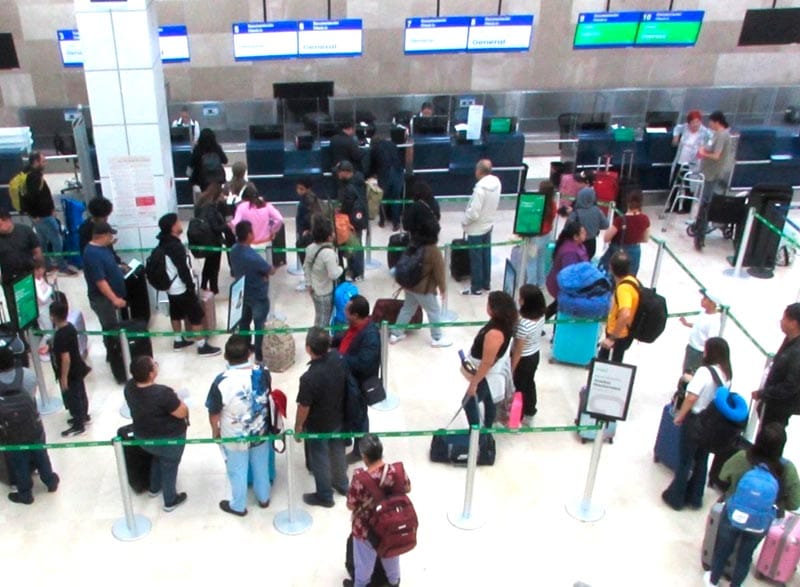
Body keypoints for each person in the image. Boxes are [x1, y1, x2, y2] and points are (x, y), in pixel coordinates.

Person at [705, 423, 800, 587]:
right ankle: (736, 584)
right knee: (745, 555)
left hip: (734, 512)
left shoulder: (742, 457)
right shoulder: (787, 469)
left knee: (723, 549)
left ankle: (713, 580)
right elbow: (795, 502)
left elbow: (722, 476)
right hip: (760, 521)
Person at [662, 337, 732, 511]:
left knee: (686, 460)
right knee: (702, 459)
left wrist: (679, 416)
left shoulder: (704, 372)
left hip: (695, 420)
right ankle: (695, 497)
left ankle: (676, 497)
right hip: (712, 423)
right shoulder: (727, 374)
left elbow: (692, 397)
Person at [206, 334, 272, 516]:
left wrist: (215, 430)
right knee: (261, 466)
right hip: (261, 430)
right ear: (249, 353)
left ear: (226, 357)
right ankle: (264, 498)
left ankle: (238, 505)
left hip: (234, 434)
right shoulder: (263, 372)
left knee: (237, 471)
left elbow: (214, 412)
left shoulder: (221, 381)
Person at [124, 355, 189, 512]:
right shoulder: (163, 394)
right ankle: (170, 500)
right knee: (169, 465)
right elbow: (181, 412)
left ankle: (154, 488)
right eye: (155, 365)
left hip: (143, 437)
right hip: (169, 440)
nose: (156, 366)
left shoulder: (129, 387)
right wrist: (180, 401)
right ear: (151, 374)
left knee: (157, 458)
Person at [344, 434, 411, 587]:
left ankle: (361, 585)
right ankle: (393, 583)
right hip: (392, 525)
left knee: (364, 565)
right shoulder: (397, 470)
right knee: (392, 556)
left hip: (366, 529)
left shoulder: (360, 478)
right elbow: (407, 488)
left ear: (365, 456)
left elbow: (351, 505)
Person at [294, 327, 349, 508]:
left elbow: (304, 406)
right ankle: (342, 484)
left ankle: (325, 496)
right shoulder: (338, 359)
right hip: (338, 417)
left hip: (318, 425)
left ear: (308, 348)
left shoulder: (309, 378)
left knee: (319, 458)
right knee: (338, 450)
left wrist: (298, 427)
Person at [0, 348, 59, 505]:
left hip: (9, 431)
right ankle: (50, 481)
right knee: (41, 452)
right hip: (33, 424)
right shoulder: (27, 375)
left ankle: (25, 493)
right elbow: (32, 396)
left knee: (18, 461)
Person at [157, 213, 220, 356]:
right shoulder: (175, 246)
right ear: (173, 227)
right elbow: (183, 269)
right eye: (178, 222)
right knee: (195, 314)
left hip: (170, 287)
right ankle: (201, 346)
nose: (180, 224)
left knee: (175, 313)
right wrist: (190, 286)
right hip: (181, 287)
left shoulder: (163, 242)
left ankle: (178, 340)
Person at [335, 296, 380, 463]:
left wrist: (340, 358)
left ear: (355, 315)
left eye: (347, 310)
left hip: (359, 384)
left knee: (360, 416)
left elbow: (364, 363)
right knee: (346, 411)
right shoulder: (356, 326)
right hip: (347, 380)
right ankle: (346, 437)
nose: (344, 312)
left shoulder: (370, 336)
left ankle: (359, 450)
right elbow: (346, 338)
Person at [464, 291, 518, 428]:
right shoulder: (504, 323)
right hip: (491, 373)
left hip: (488, 375)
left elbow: (487, 362)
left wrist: (474, 383)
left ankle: (477, 435)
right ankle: (488, 427)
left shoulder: (495, 333)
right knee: (490, 399)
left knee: (469, 402)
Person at [20, 152, 78, 276]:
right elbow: (32, 197)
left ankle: (46, 265)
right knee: (57, 240)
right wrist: (35, 214)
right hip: (42, 215)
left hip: (40, 215)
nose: (45, 163)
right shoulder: (33, 177)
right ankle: (61, 266)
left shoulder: (28, 174)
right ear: (36, 162)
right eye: (43, 160)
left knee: (42, 241)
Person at [388, 237, 451, 348]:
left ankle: (396, 334)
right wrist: (443, 289)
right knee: (434, 311)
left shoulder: (414, 243)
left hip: (409, 285)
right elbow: (439, 272)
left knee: (407, 309)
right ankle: (437, 337)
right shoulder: (433, 250)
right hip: (424, 289)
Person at [82, 221, 127, 378]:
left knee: (112, 326)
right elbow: (100, 282)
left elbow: (109, 267)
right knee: (110, 327)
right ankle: (114, 355)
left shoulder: (103, 249)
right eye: (110, 235)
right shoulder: (92, 254)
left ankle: (116, 352)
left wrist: (120, 268)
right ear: (103, 236)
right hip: (102, 300)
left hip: (109, 297)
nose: (112, 238)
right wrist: (114, 299)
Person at [229, 220, 275, 365]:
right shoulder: (252, 256)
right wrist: (265, 276)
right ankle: (259, 357)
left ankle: (243, 349)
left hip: (242, 294)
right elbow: (270, 270)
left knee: (244, 323)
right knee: (259, 326)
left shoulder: (234, 250)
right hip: (257, 295)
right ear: (249, 235)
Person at [752, 302, 800, 428]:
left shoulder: (796, 352)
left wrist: (764, 394)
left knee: (770, 434)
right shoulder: (789, 340)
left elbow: (790, 386)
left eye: (784, 318)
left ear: (794, 323)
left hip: (779, 407)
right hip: (771, 402)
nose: (781, 321)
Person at [694, 111, 735, 251]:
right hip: (707, 173)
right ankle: (699, 228)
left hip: (713, 175)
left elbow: (716, 155)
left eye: (711, 121)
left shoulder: (723, 135)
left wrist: (703, 153)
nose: (709, 124)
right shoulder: (716, 134)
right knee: (703, 202)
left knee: (706, 204)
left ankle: (701, 233)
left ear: (717, 121)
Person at [50, 300, 91, 437]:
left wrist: (63, 377)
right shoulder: (71, 328)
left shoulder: (61, 335)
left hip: (70, 372)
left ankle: (78, 425)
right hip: (78, 367)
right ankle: (83, 416)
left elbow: (65, 358)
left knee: (73, 397)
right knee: (80, 393)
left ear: (53, 316)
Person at [461, 159, 501, 296]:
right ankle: (486, 282)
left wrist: (464, 221)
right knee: (486, 254)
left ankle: (476, 287)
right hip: (488, 224)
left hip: (476, 228)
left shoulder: (480, 189)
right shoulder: (497, 183)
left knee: (476, 258)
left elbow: (474, 212)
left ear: (478, 171)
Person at [511, 285, 546, 424]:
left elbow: (518, 349)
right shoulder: (541, 315)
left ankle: (515, 419)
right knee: (529, 384)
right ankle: (530, 411)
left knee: (518, 389)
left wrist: (512, 368)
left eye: (521, 298)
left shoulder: (524, 324)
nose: (518, 300)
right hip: (534, 355)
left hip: (523, 359)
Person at [599, 251, 639, 364]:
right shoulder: (632, 281)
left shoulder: (623, 289)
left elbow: (625, 313)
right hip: (623, 332)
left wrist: (612, 338)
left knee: (607, 366)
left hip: (618, 335)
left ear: (611, 268)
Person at [544, 220, 589, 321]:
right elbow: (568, 275)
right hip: (562, 286)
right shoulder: (569, 253)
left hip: (565, 285)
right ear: (575, 236)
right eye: (583, 232)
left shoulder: (578, 245)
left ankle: (541, 321)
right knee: (560, 309)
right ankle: (554, 331)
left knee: (556, 306)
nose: (586, 233)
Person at [303, 216, 343, 328]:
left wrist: (308, 283)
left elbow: (306, 266)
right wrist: (341, 268)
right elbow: (334, 274)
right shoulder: (328, 254)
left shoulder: (310, 248)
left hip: (314, 289)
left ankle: (316, 341)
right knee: (323, 322)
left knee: (319, 317)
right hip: (324, 292)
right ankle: (318, 342)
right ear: (329, 237)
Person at [600, 190, 650, 276]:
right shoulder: (645, 219)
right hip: (635, 253)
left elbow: (606, 238)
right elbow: (645, 239)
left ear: (627, 203)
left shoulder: (620, 220)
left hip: (618, 251)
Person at [669, 109, 711, 214]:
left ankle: (687, 208)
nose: (695, 125)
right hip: (681, 159)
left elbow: (711, 140)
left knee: (690, 186)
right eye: (693, 122)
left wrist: (704, 148)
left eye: (698, 122)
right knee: (676, 182)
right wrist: (676, 138)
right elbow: (677, 128)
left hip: (693, 162)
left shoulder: (704, 132)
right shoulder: (684, 128)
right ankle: (672, 206)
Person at [194, 182, 229, 294]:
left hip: (205, 239)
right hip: (213, 241)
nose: (223, 197)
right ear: (217, 195)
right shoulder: (210, 209)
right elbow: (216, 227)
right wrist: (228, 225)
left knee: (208, 263)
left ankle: (204, 285)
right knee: (214, 265)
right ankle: (213, 288)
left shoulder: (201, 204)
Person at [336, 160, 367, 280]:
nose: (338, 175)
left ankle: (357, 272)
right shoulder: (356, 181)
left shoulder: (351, 186)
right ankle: (353, 269)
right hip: (357, 219)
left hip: (354, 220)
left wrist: (340, 210)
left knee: (355, 245)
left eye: (339, 172)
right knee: (353, 245)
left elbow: (347, 204)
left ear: (345, 172)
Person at [523, 181, 558, 288]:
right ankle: (541, 282)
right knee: (541, 259)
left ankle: (531, 284)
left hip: (535, 237)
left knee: (531, 262)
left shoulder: (537, 204)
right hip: (546, 236)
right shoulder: (553, 204)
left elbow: (530, 220)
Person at [680, 289, 722, 375]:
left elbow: (711, 341)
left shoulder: (714, 321)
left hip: (699, 353)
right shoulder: (703, 312)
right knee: (685, 371)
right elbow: (699, 326)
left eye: (705, 299)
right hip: (691, 347)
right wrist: (687, 324)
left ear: (712, 303)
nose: (702, 300)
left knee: (690, 375)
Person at [368, 132, 404, 230]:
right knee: (396, 198)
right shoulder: (392, 144)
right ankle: (396, 223)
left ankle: (382, 221)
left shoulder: (374, 149)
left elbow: (372, 166)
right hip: (398, 172)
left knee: (382, 197)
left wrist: (370, 175)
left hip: (385, 174)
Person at [568, 179, 608, 260]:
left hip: (577, 243)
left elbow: (567, 228)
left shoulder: (576, 212)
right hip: (592, 243)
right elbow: (606, 225)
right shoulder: (597, 211)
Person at [295, 176, 327, 264]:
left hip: (310, 234)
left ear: (308, 189)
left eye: (301, 189)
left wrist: (303, 231)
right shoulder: (315, 199)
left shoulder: (306, 203)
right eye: (298, 188)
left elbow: (304, 219)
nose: (299, 191)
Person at [402, 180, 440, 246]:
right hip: (432, 241)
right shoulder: (434, 202)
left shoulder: (416, 206)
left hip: (418, 242)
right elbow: (438, 217)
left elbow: (406, 226)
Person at [189, 128, 228, 192]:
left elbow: (192, 163)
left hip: (203, 179)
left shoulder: (198, 149)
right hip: (217, 178)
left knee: (206, 195)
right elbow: (225, 160)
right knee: (217, 194)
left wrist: (188, 175)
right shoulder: (217, 148)